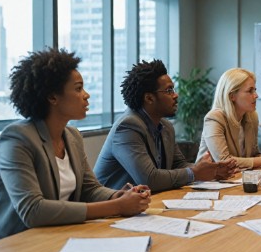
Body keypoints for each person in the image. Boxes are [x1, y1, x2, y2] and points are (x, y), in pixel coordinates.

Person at [0, 48, 149, 252]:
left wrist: (119, 195)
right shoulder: (16, 139)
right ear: (52, 97)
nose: (86, 95)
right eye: (78, 89)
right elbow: (33, 211)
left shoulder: (72, 136)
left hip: (57, 243)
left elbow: (90, 189)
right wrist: (117, 207)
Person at [95, 60, 237, 192]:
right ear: (149, 98)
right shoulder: (127, 127)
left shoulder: (165, 126)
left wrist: (211, 170)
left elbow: (179, 165)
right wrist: (195, 173)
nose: (176, 95)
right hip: (110, 212)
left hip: (145, 204)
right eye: (169, 91)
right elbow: (149, 179)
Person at [196, 68, 261, 168]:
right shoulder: (214, 118)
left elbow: (254, 155)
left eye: (255, 90)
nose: (256, 95)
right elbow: (224, 162)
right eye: (250, 91)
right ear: (232, 96)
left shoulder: (252, 116)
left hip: (237, 177)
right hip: (209, 181)